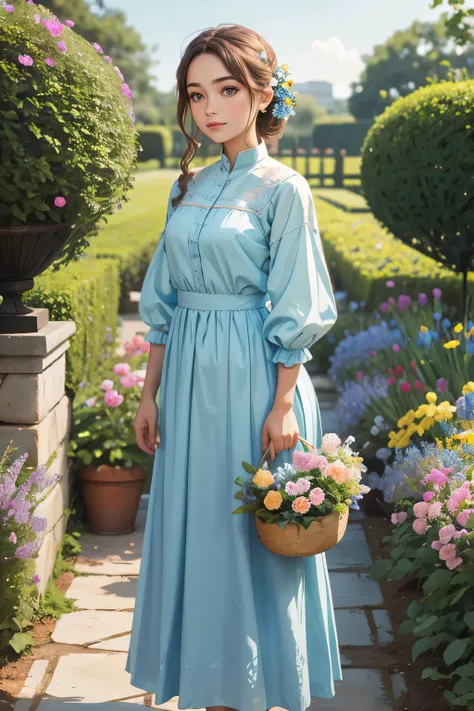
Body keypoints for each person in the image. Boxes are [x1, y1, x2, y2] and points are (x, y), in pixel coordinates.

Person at [125, 23, 341, 711]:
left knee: (252, 536)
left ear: (260, 91)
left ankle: (257, 686)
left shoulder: (285, 189)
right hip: (187, 377)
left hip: (254, 377)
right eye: (196, 93)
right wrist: (149, 391)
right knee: (199, 531)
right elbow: (160, 299)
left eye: (226, 88)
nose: (209, 107)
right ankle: (209, 681)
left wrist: (281, 404)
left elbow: (299, 301)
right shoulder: (186, 185)